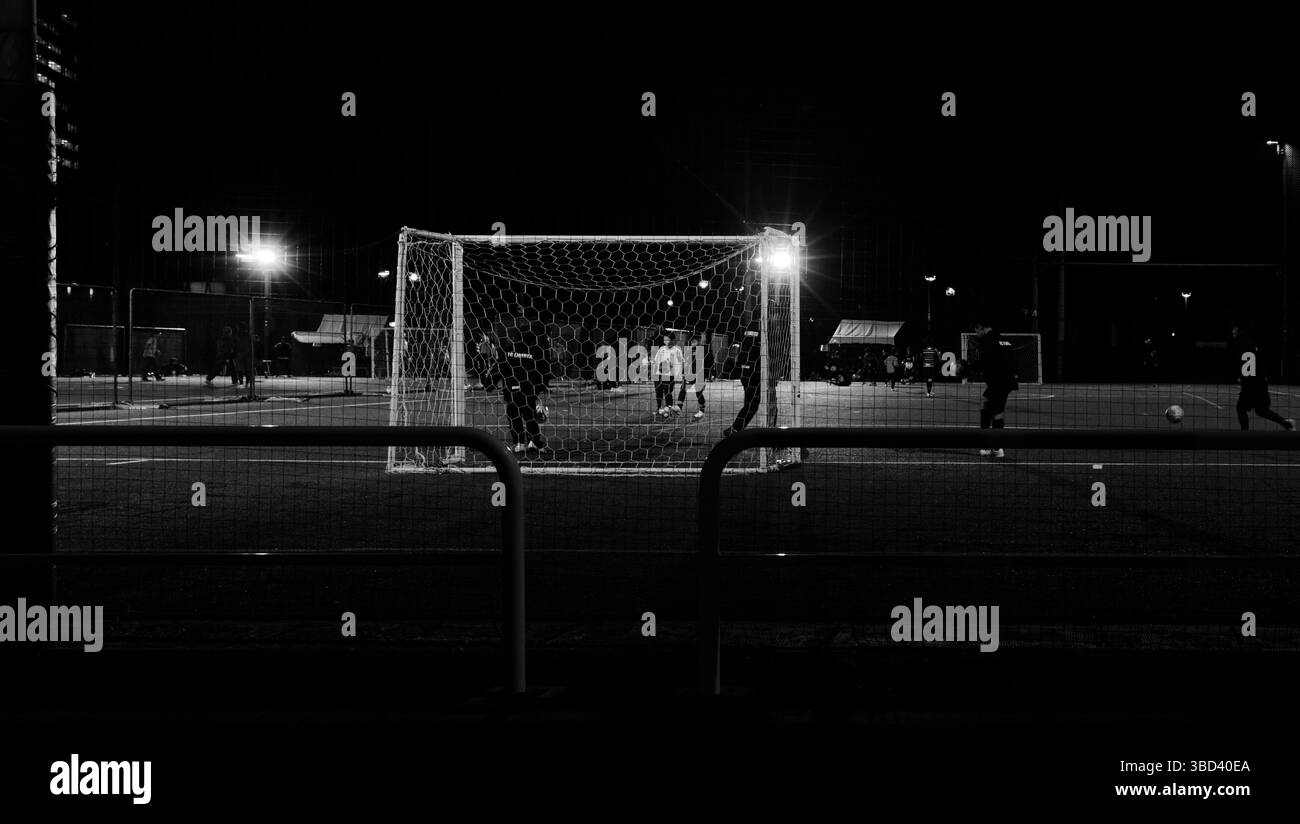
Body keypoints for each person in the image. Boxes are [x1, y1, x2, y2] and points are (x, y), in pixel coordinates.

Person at [495, 301, 552, 453]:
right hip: (529, 387)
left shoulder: (509, 348)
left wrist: (491, 382)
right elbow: (544, 368)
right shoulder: (536, 349)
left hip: (511, 386)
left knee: (514, 414)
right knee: (529, 413)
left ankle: (519, 443)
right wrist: (543, 386)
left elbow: (501, 366)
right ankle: (534, 441)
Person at [1232, 325, 1295, 431]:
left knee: (1241, 408)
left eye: (1234, 329)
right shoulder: (1251, 343)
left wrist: (1244, 377)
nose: (1232, 331)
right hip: (1259, 383)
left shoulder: (1242, 343)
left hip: (1251, 384)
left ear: (1239, 331)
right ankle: (1287, 424)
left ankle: (1244, 434)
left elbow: (1247, 365)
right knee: (1261, 410)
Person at [972, 319, 1019, 458]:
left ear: (981, 328)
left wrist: (966, 368)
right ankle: (993, 446)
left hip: (999, 382)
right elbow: (1012, 361)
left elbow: (981, 364)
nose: (976, 334)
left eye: (976, 331)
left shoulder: (986, 342)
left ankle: (995, 448)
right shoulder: (1004, 340)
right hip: (1007, 381)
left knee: (995, 411)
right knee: (988, 405)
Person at [723, 332, 763, 438]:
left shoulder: (748, 333)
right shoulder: (759, 333)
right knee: (752, 405)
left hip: (747, 373)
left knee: (750, 404)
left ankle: (735, 428)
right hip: (753, 374)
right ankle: (735, 429)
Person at [652, 331, 683, 417]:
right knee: (658, 391)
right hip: (658, 374)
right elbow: (656, 360)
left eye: (668, 339)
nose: (666, 341)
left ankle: (668, 409)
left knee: (667, 392)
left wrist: (673, 367)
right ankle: (659, 408)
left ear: (673, 340)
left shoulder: (677, 350)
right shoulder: (661, 349)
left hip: (670, 375)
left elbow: (681, 362)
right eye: (664, 339)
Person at [677, 333, 708, 419]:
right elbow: (686, 363)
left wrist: (709, 375)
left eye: (695, 340)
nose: (692, 342)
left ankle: (701, 410)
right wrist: (683, 373)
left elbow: (709, 363)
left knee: (698, 392)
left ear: (698, 341)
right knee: (683, 389)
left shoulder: (704, 350)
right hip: (689, 373)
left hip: (700, 374)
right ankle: (678, 408)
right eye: (691, 341)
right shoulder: (688, 350)